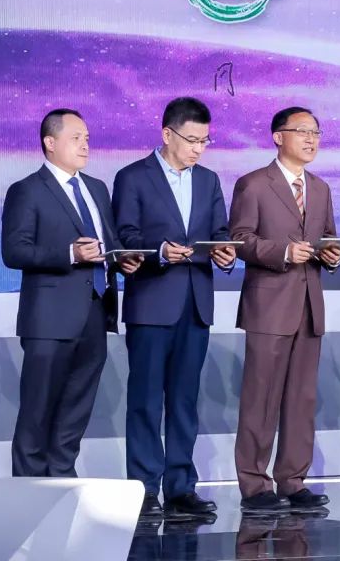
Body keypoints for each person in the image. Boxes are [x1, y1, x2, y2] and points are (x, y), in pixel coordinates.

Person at [112, 97, 236, 519]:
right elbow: (125, 234)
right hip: (151, 302)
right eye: (192, 139)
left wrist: (224, 251)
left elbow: (220, 231)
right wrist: (161, 252)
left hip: (196, 303)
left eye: (205, 140)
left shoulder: (209, 180)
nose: (199, 148)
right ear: (167, 134)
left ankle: (181, 487)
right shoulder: (133, 177)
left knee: (184, 400)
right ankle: (144, 489)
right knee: (145, 400)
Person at [2, 109, 142, 477]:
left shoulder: (96, 188)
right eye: (76, 138)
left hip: (94, 313)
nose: (85, 145)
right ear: (50, 142)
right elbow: (14, 251)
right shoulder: (27, 190)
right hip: (49, 319)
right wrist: (70, 253)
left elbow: (108, 242)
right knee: (38, 407)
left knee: (77, 405)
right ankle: (30, 485)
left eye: (87, 139)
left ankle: (62, 474)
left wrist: (121, 259)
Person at [229, 106, 340, 513]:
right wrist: (282, 252)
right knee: (260, 398)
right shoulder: (254, 184)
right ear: (278, 137)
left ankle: (293, 480)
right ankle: (254, 483)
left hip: (309, 305)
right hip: (268, 305)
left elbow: (327, 237)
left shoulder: (321, 188)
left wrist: (332, 255)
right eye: (302, 131)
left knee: (301, 398)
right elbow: (240, 239)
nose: (311, 139)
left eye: (316, 132)